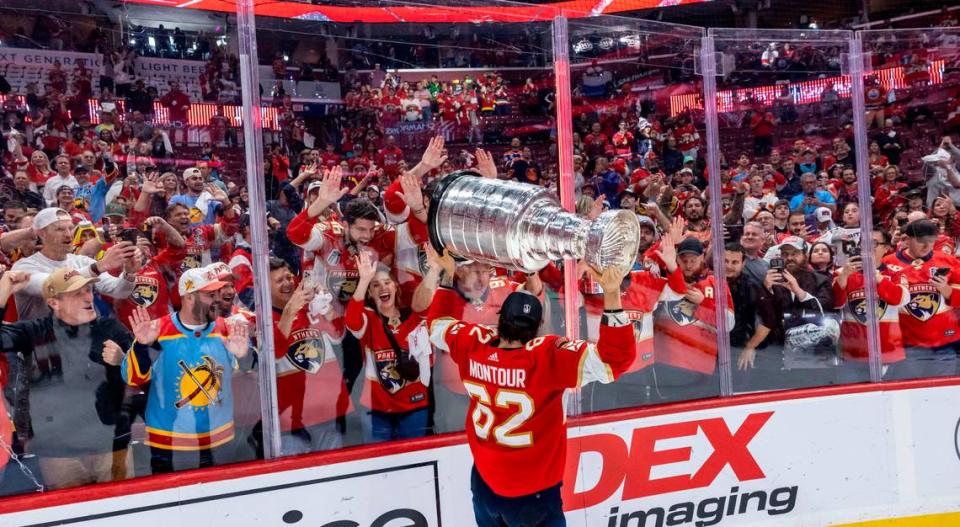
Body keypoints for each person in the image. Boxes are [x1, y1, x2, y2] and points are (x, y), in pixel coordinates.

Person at [426, 249, 634, 526]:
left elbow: (438, 326)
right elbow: (614, 361)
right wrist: (612, 293)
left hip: (485, 484)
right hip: (533, 496)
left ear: (500, 320)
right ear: (537, 328)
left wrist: (447, 274)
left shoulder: (473, 342)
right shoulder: (547, 356)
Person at [0, 268, 135, 489]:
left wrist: (124, 361)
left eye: (89, 290)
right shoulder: (34, 332)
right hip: (60, 452)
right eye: (77, 293)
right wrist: (3, 292)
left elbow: (145, 370)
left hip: (111, 446)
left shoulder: (110, 327)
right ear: (54, 303)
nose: (88, 298)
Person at [121, 266, 250, 473]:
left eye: (218, 293)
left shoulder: (226, 328)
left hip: (220, 440)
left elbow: (249, 367)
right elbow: (132, 378)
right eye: (210, 295)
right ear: (190, 298)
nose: (218, 299)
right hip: (169, 445)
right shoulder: (156, 331)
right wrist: (142, 346)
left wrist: (245, 357)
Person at [346, 251, 430, 442]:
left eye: (387, 283)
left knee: (414, 461)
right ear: (370, 292)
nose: (382, 288)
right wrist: (364, 280)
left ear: (396, 286)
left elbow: (428, 307)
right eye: (375, 285)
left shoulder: (413, 317)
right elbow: (352, 322)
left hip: (413, 405)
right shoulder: (368, 318)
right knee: (377, 466)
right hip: (377, 410)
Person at [881, 219, 960, 378]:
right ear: (907, 239)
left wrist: (947, 291)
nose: (926, 246)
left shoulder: (948, 261)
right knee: (910, 394)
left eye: (931, 242)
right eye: (921, 241)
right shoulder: (888, 263)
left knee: (943, 394)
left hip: (946, 343)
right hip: (908, 346)